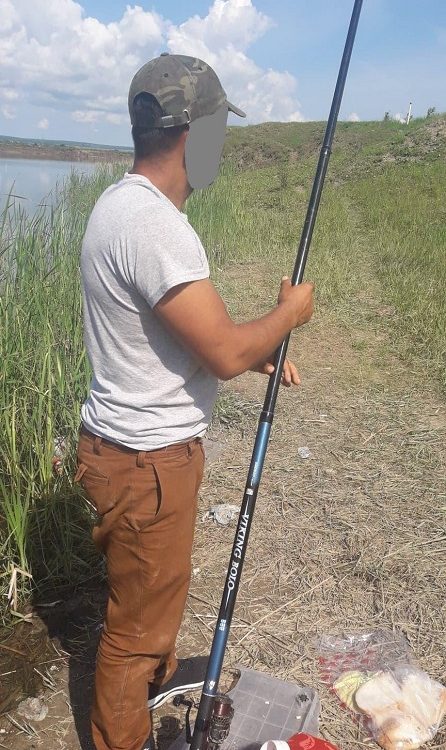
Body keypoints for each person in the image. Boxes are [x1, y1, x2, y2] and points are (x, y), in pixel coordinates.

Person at [76, 54, 314, 750]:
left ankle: (154, 682)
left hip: (125, 451)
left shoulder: (117, 206)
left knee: (151, 599)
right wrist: (288, 314)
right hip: (147, 462)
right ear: (191, 134)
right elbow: (225, 352)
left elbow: (184, 336)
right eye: (217, 131)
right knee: (133, 634)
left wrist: (247, 348)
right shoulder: (155, 225)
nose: (220, 145)